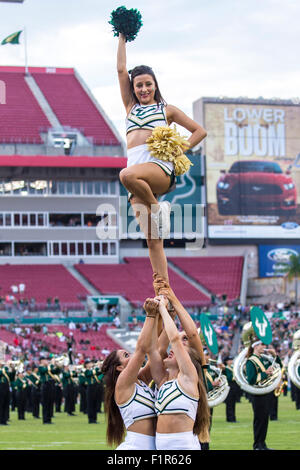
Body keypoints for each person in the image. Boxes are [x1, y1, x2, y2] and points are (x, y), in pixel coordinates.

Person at [117, 33, 207, 282]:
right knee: (153, 239)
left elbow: (200, 131)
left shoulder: (166, 110)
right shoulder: (130, 108)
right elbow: (121, 69)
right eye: (139, 85)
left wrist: (180, 149)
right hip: (138, 181)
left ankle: (159, 209)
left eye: (148, 84)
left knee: (125, 174)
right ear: (133, 89)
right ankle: (163, 288)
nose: (143, 89)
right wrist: (122, 36)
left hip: (158, 171)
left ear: (155, 85)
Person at [147, 295, 210, 450]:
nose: (173, 350)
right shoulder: (163, 381)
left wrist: (163, 308)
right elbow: (153, 349)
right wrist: (155, 315)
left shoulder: (189, 378)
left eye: (182, 348)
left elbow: (174, 339)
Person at [101, 298, 162, 450]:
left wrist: (167, 315)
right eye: (126, 356)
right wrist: (150, 316)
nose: (132, 357)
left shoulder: (140, 380)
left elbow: (159, 350)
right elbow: (141, 350)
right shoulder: (123, 384)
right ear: (119, 368)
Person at [246, 340, 282, 450]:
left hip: (267, 392)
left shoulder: (264, 358)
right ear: (255, 346)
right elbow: (251, 379)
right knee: (259, 420)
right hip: (258, 394)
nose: (264, 346)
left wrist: (275, 355)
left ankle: (262, 444)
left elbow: (279, 366)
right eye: (262, 344)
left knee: (265, 419)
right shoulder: (251, 361)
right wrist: (265, 373)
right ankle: (257, 445)